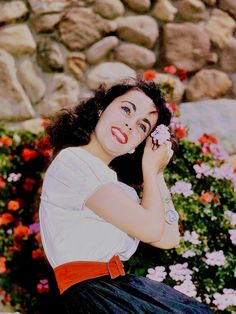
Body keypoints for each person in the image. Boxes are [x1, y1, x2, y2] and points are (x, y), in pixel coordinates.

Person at [39, 78, 212, 313]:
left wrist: (158, 173)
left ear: (137, 144)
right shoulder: (73, 162)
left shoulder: (120, 190)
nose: (131, 124)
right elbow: (151, 230)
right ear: (101, 109)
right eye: (126, 109)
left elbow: (169, 238)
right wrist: (149, 171)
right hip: (90, 297)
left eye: (143, 126)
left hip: (116, 291)